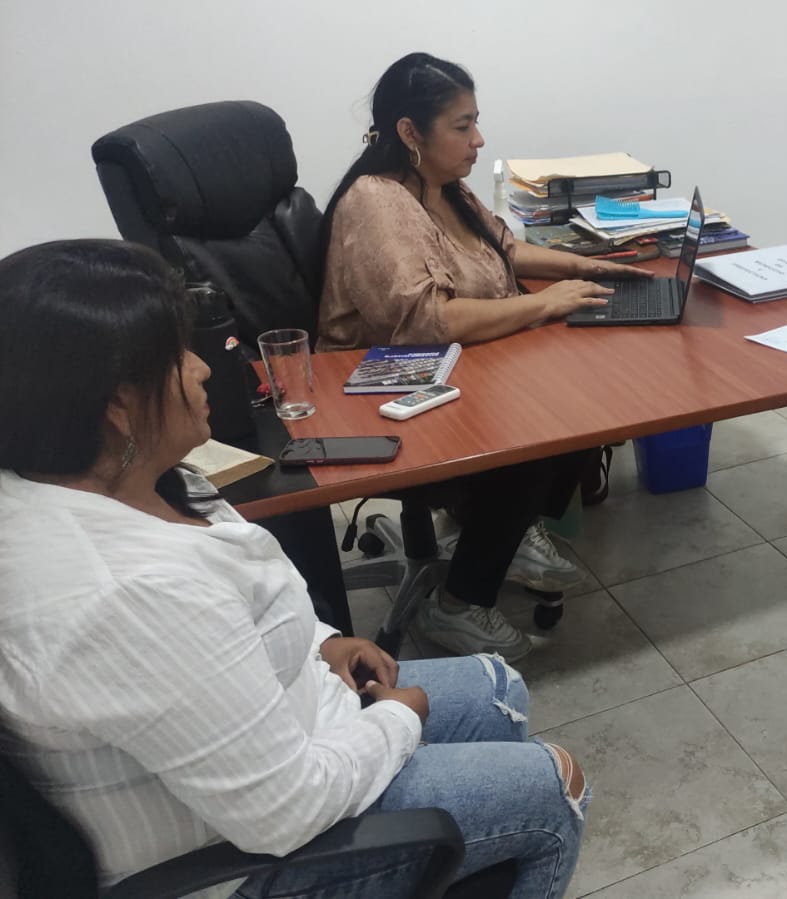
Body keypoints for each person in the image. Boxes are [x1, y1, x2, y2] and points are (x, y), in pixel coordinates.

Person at [0, 240, 590, 897]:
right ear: (119, 405)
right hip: (237, 856)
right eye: (179, 355)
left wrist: (322, 641)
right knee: (556, 783)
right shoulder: (128, 596)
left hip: (280, 726)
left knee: (497, 687)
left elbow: (238, 599)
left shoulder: (123, 478)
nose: (203, 368)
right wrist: (398, 719)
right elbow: (285, 812)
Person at [317, 53, 646, 658]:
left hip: (456, 363)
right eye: (462, 125)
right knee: (528, 434)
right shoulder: (377, 201)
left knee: (585, 397)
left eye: (476, 121)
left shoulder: (442, 186)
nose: (479, 139)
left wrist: (585, 266)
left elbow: (504, 250)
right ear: (410, 132)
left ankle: (510, 531)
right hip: (381, 388)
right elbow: (427, 321)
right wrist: (544, 304)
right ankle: (459, 604)